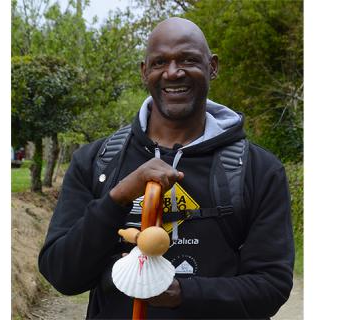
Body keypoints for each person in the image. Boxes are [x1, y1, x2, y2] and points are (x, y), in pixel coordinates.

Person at [39, 17, 294, 319]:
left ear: (213, 66)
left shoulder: (258, 169)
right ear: (144, 71)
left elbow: (271, 286)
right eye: (160, 62)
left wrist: (183, 295)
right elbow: (62, 275)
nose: (173, 72)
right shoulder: (97, 161)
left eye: (188, 60)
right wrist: (117, 198)